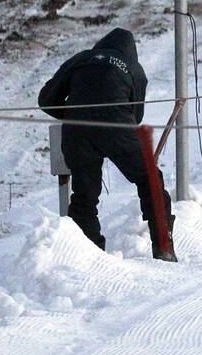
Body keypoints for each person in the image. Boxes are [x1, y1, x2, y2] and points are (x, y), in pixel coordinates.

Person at [38, 28, 177, 261]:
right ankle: (163, 247)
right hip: (118, 127)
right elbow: (137, 116)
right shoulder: (134, 68)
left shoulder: (80, 59)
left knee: (84, 195)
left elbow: (46, 100)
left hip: (76, 132)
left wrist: (75, 114)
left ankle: (89, 258)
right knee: (148, 179)